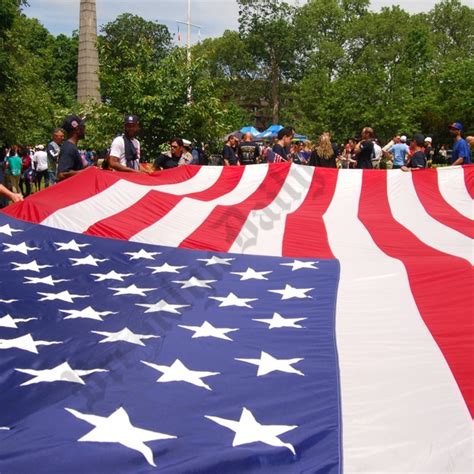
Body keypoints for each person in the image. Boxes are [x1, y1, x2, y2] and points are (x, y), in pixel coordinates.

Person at [57, 115, 86, 181]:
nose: (84, 128)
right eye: (83, 126)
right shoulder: (68, 148)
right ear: (77, 129)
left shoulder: (71, 147)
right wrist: (87, 172)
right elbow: (62, 174)